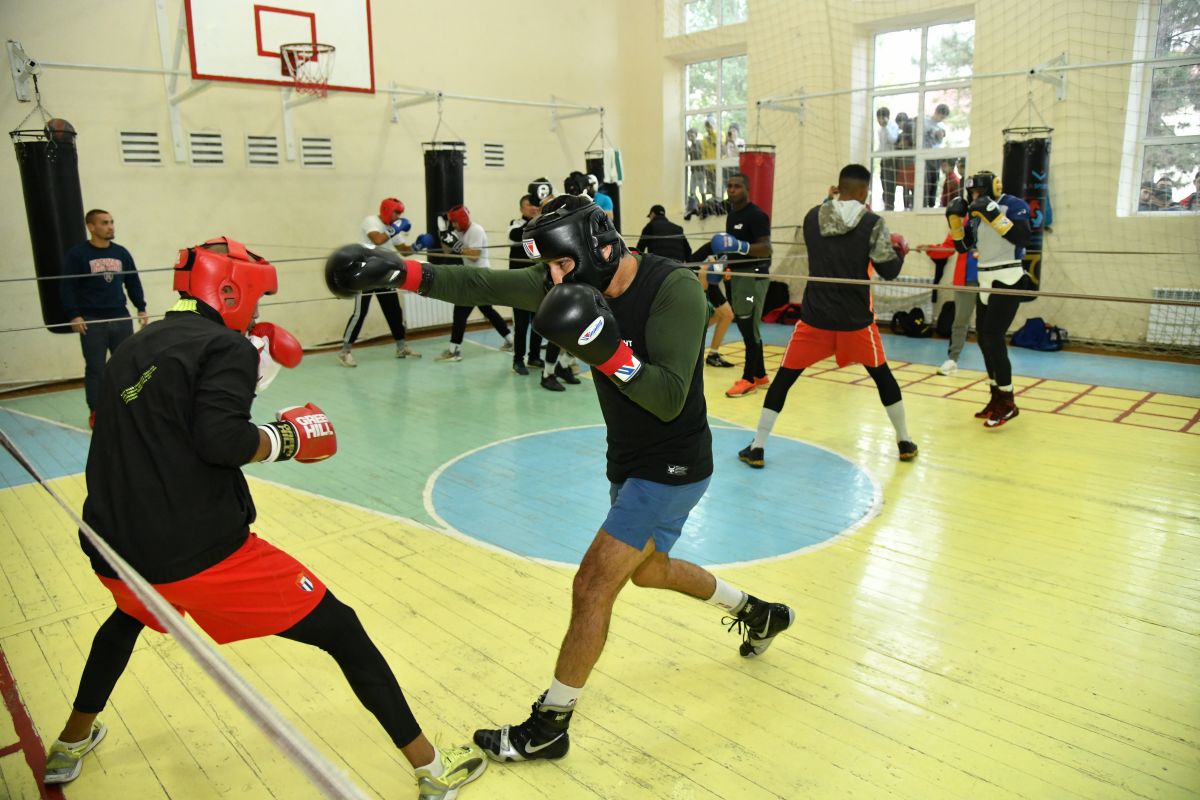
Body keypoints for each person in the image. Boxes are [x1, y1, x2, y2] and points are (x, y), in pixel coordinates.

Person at [325, 194, 795, 765]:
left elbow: (670, 399)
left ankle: (550, 725)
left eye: (560, 266)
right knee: (650, 572)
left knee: (593, 585)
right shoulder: (566, 279)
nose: (551, 279)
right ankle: (757, 611)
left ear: (597, 248)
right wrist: (401, 272)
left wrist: (605, 352)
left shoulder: (674, 291)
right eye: (548, 268)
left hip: (671, 465)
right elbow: (480, 287)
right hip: (627, 458)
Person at [44, 237, 486, 799]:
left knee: (129, 618)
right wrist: (287, 438)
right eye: (253, 301)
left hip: (113, 548)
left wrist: (244, 382)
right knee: (344, 630)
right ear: (228, 291)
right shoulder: (223, 347)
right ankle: (431, 768)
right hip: (195, 555)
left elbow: (142, 420)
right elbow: (222, 440)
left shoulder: (138, 343)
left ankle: (70, 740)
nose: (256, 314)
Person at [738, 164, 918, 467]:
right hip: (856, 321)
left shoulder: (812, 217)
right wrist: (901, 250)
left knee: (784, 378)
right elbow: (889, 271)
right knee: (882, 376)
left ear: (838, 187)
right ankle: (904, 441)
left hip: (815, 319)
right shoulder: (873, 223)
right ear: (864, 192)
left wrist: (828, 201)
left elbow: (830, 222)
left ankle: (757, 446)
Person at [947, 170, 1033, 426]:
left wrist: (994, 215)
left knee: (994, 338)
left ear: (994, 188)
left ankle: (1008, 401)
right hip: (984, 279)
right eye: (972, 193)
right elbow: (963, 247)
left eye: (980, 192)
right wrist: (954, 221)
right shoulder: (974, 212)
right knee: (984, 339)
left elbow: (1021, 236)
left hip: (1008, 276)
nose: (975, 197)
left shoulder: (1014, 205)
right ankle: (996, 396)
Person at [60, 209, 148, 429]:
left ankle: (128, 408)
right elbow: (67, 286)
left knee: (126, 365)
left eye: (112, 222)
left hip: (120, 316)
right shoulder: (78, 254)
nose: (110, 226)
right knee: (96, 368)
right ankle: (96, 411)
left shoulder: (121, 253)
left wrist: (141, 307)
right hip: (92, 320)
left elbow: (133, 281)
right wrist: (74, 314)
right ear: (91, 227)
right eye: (104, 223)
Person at [338, 198, 428, 367]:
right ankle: (345, 351)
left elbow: (404, 251)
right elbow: (377, 240)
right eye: (396, 212)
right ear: (387, 210)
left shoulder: (393, 228)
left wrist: (418, 245)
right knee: (360, 312)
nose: (398, 216)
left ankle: (401, 347)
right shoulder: (371, 221)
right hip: (364, 271)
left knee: (393, 309)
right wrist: (394, 228)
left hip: (384, 272)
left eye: (400, 214)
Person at [714, 173, 773, 397]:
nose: (732, 190)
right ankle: (760, 374)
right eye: (729, 186)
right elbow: (732, 248)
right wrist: (724, 265)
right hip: (739, 276)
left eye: (737, 186)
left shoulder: (756, 216)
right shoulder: (732, 216)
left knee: (749, 327)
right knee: (745, 324)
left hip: (753, 277)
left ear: (747, 189)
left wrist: (741, 246)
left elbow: (766, 248)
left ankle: (749, 379)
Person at [435, 204, 515, 362]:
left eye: (456, 222)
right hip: (473, 277)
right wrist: (444, 233)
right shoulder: (459, 231)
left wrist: (456, 244)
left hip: (479, 276)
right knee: (487, 310)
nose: (455, 225)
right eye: (453, 223)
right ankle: (510, 340)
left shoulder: (476, 230)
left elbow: (474, 255)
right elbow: (447, 251)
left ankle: (454, 350)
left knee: (460, 312)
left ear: (462, 220)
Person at [916, 234, 978, 376]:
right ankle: (952, 360)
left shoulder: (996, 216)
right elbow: (948, 247)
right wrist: (929, 248)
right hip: (965, 279)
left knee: (988, 326)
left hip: (992, 279)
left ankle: (994, 368)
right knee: (959, 321)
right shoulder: (963, 221)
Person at [508, 193, 545, 375]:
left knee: (539, 322)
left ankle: (534, 356)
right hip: (519, 283)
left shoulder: (540, 225)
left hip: (538, 281)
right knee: (521, 325)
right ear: (522, 208)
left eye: (535, 205)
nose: (532, 207)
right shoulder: (515, 224)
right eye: (529, 205)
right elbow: (515, 235)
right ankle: (518, 359)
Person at [922, 104, 950, 209]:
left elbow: (942, 139)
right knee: (926, 181)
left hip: (936, 157)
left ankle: (931, 204)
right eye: (941, 116)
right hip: (926, 156)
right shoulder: (925, 122)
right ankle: (924, 204)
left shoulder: (942, 126)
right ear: (936, 112)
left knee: (935, 181)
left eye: (944, 118)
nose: (941, 119)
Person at [875, 107, 900, 211]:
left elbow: (893, 140)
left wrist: (886, 127)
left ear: (887, 118)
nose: (880, 121)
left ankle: (890, 206)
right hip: (884, 160)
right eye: (878, 119)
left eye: (881, 118)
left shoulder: (893, 126)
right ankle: (886, 205)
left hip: (892, 161)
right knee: (883, 183)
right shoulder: (879, 130)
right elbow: (881, 146)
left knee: (890, 185)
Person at [893, 113, 916, 211]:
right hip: (903, 163)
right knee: (905, 187)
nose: (899, 126)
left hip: (911, 163)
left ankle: (912, 206)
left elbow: (906, 144)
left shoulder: (912, 132)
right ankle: (906, 207)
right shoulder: (900, 135)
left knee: (912, 187)